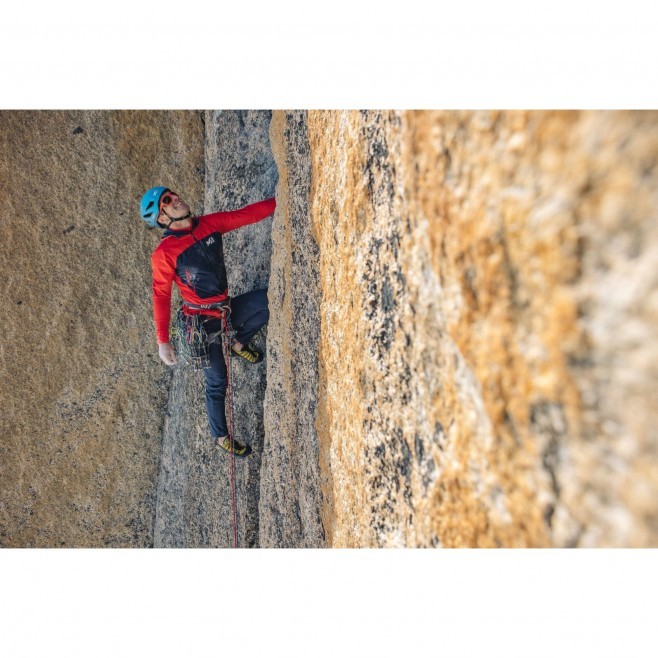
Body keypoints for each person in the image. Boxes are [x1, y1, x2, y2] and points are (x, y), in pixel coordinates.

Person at [140, 186, 276, 456]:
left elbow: (246, 215)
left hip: (224, 310)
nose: (176, 198)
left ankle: (238, 344)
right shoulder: (165, 254)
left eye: (172, 193)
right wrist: (162, 341)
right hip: (201, 327)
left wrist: (281, 196)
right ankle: (220, 436)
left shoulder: (208, 225)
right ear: (162, 218)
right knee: (217, 382)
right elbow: (161, 296)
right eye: (167, 201)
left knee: (268, 301)